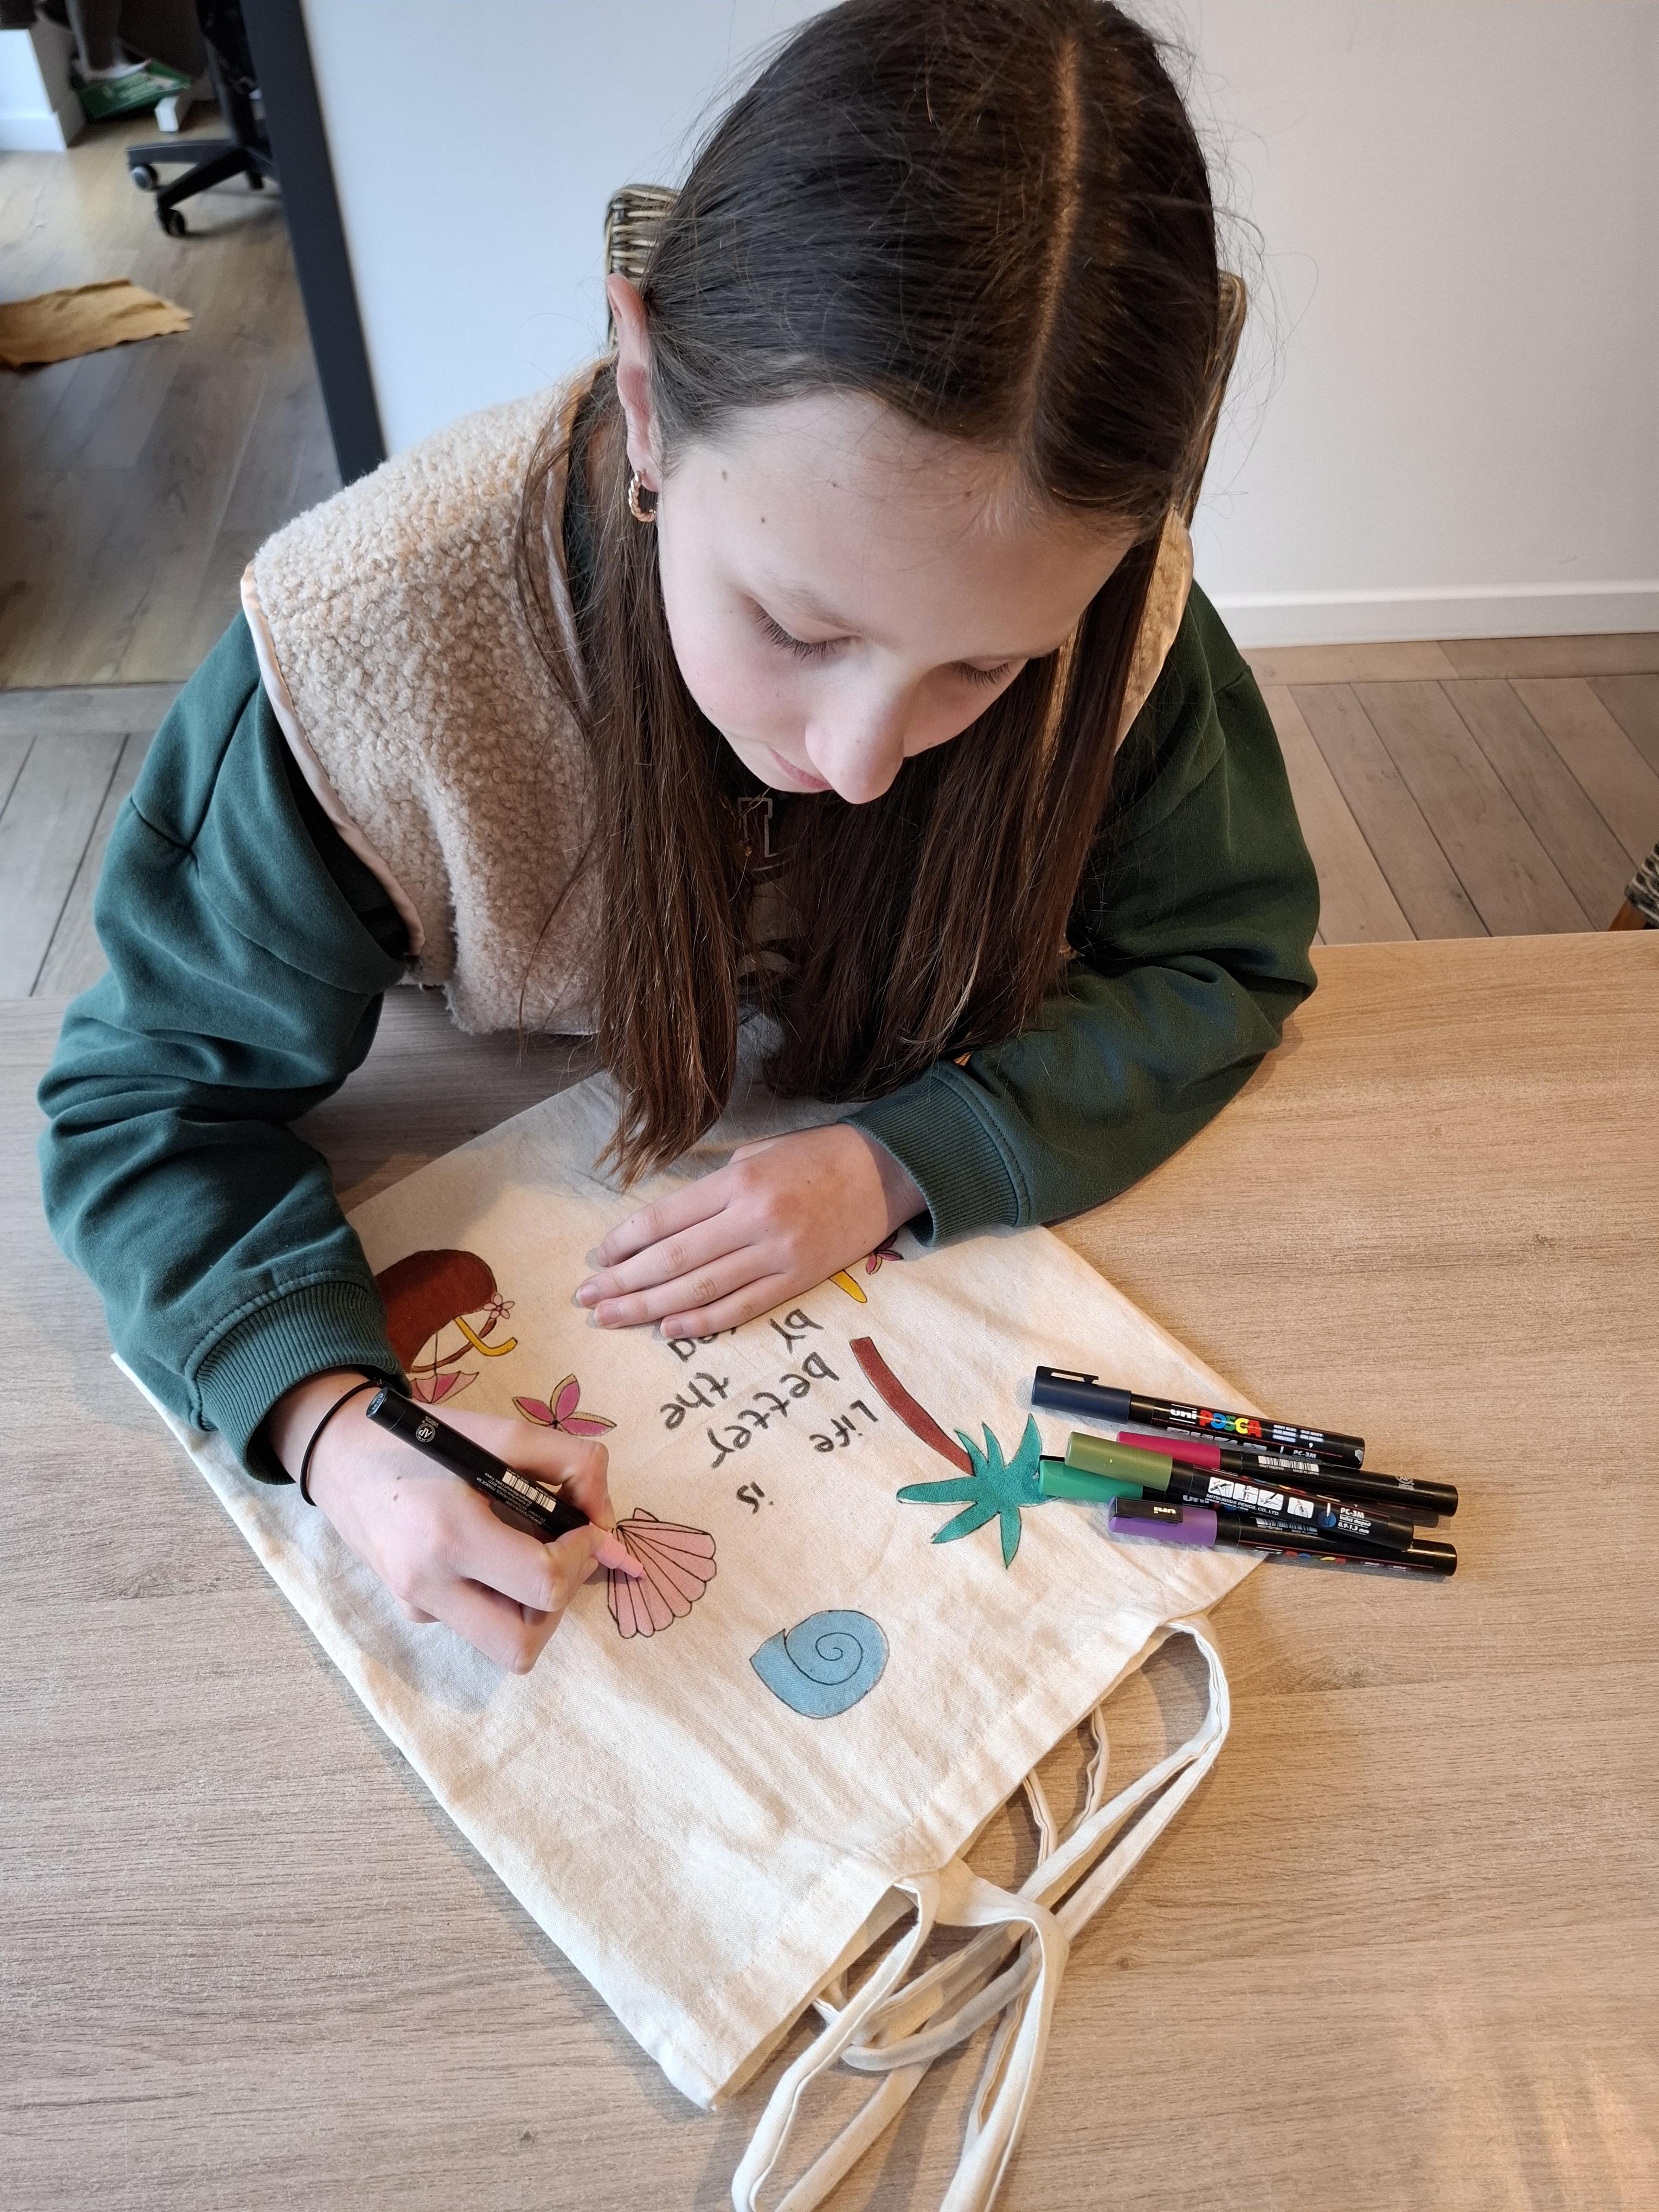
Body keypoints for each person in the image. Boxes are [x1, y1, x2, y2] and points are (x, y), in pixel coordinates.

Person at [39, 0, 1319, 1675]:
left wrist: (897, 1160)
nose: (861, 765)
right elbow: (146, 1102)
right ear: (645, 394)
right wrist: (342, 1431)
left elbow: (1223, 953)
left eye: (983, 669)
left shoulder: (1126, 615)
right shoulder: (367, 638)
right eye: (794, 626)